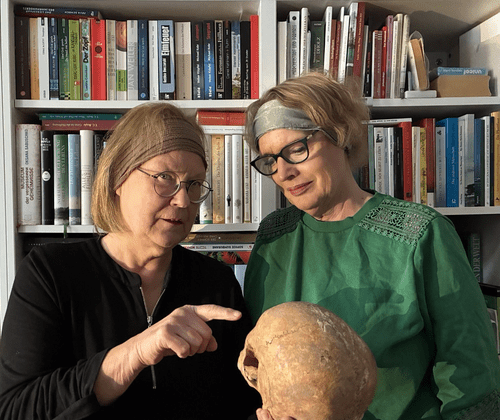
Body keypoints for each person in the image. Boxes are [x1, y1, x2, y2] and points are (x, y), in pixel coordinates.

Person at [243, 72, 500, 420]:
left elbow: (471, 376)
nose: (283, 172)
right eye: (270, 160)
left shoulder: (421, 235)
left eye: (296, 149)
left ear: (340, 134)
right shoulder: (273, 238)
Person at [0, 102, 260, 419]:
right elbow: (15, 409)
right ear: (117, 179)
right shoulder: (50, 272)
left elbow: (244, 402)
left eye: (194, 184)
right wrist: (135, 353)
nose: (182, 200)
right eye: (165, 177)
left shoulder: (216, 282)